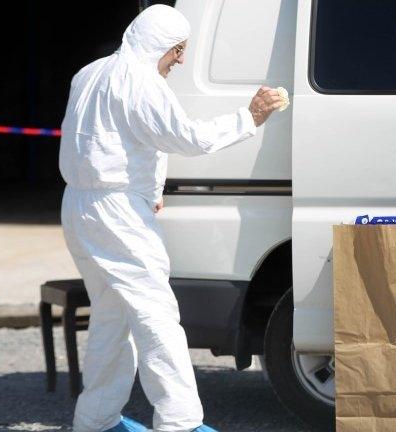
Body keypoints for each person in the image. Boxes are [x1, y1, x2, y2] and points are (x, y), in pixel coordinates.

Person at [59, 5, 285, 432]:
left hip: (80, 205)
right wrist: (250, 116)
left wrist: (151, 189)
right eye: (179, 50)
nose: (180, 60)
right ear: (161, 46)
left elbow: (119, 138)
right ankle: (179, 423)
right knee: (155, 316)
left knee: (113, 315)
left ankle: (96, 421)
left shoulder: (89, 73)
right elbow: (188, 139)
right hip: (117, 212)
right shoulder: (142, 82)